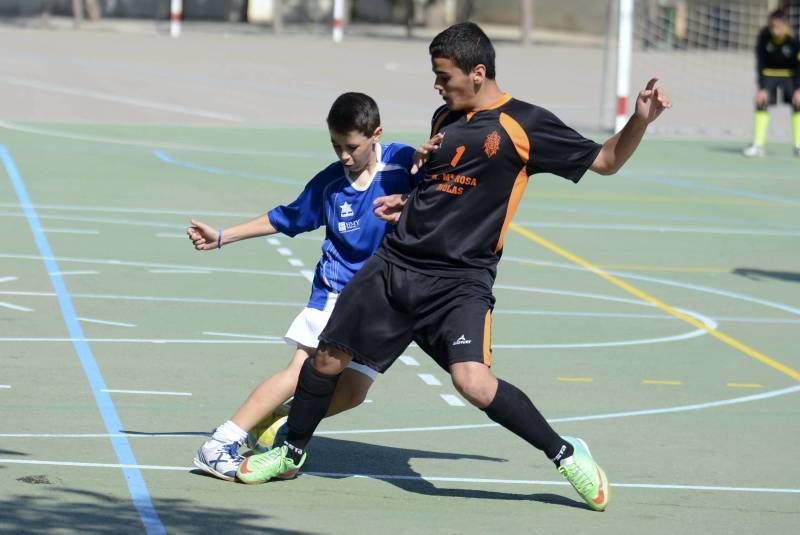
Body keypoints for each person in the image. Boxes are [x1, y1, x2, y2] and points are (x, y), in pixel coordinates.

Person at [238, 22, 671, 512]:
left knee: (473, 383)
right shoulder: (445, 116)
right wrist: (407, 201)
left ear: (478, 72)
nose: (438, 86)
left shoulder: (523, 125)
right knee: (326, 358)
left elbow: (607, 160)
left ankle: (567, 454)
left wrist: (641, 120)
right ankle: (291, 451)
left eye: (444, 76)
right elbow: (445, 184)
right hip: (395, 264)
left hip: (460, 282)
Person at [189, 92, 423, 481]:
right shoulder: (331, 183)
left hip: (384, 298)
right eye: (336, 146)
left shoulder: (404, 163)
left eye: (352, 147)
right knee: (302, 371)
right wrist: (221, 237)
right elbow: (287, 217)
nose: (344, 156)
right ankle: (218, 445)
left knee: (352, 393)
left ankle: (280, 422)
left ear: (376, 134)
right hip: (336, 292)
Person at [743, 8, 800, 157]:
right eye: (772, 27)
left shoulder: (794, 39)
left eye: (778, 27)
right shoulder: (763, 37)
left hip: (790, 76)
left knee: (798, 103)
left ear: (786, 25)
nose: (775, 31)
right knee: (761, 102)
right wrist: (761, 87)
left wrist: (799, 88)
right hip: (769, 75)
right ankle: (758, 144)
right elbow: (760, 63)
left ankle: (798, 145)